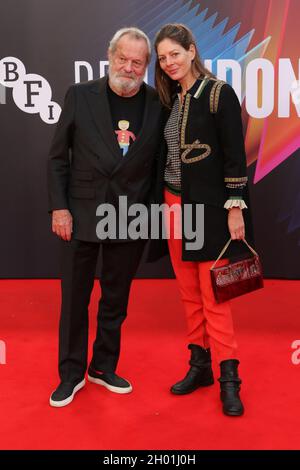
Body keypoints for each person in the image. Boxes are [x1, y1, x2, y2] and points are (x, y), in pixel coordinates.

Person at [47, 27, 163, 407]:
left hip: (131, 218)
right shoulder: (80, 95)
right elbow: (57, 157)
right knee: (75, 299)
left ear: (147, 66)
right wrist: (59, 207)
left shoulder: (157, 103)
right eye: (122, 59)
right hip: (79, 214)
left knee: (116, 299)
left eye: (137, 62)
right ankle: (71, 373)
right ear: (110, 56)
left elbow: (158, 166)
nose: (128, 68)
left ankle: (102, 366)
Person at [153, 23, 253, 416]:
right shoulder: (168, 99)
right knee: (188, 292)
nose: (169, 63)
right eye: (162, 58)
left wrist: (234, 207)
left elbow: (234, 155)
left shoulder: (218, 94)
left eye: (174, 54)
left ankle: (230, 377)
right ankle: (200, 365)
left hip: (210, 208)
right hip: (173, 205)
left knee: (215, 295)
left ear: (192, 51)